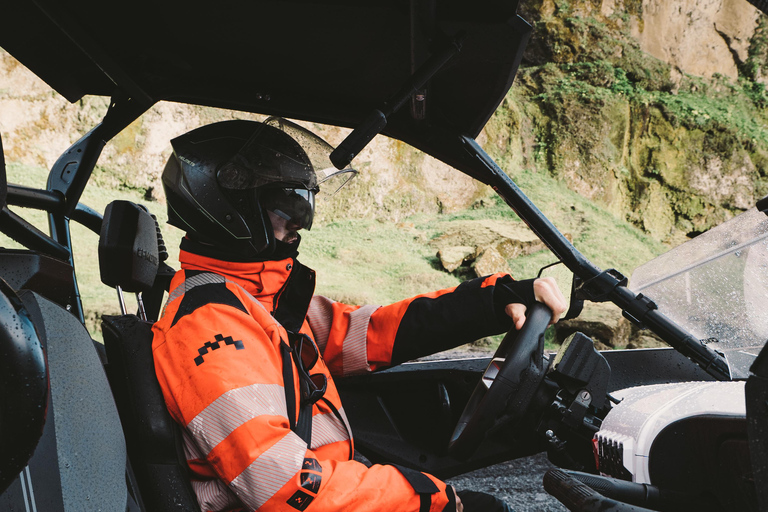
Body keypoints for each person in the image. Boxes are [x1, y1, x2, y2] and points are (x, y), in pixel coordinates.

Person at [152, 118, 567, 512]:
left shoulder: (253, 298)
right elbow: (288, 488)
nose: (299, 227)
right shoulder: (208, 325)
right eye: (284, 211)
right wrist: (430, 498)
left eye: (301, 209)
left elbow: (365, 333)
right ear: (228, 208)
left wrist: (489, 303)